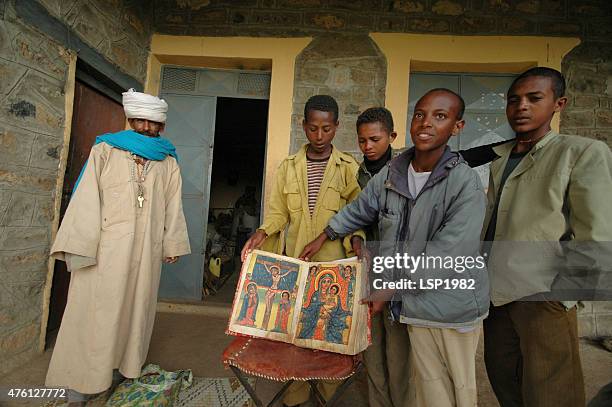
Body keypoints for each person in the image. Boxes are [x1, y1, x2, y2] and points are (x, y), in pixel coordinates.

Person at [301, 88, 490, 407]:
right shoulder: (392, 173)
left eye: (440, 116)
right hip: (411, 304)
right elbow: (360, 209)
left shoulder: (464, 183)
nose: (426, 123)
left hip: (449, 306)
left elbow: (447, 254)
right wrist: (326, 234)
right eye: (420, 114)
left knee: (457, 389)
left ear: (457, 126)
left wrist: (390, 289)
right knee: (427, 385)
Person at [45, 89, 191, 403]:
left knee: (133, 312)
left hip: (146, 251)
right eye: (143, 121)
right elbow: (86, 198)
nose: (149, 129)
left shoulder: (168, 161)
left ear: (161, 126)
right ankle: (79, 382)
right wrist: (81, 245)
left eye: (155, 124)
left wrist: (172, 242)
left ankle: (119, 370)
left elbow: (173, 206)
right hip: (105, 251)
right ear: (131, 119)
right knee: (95, 313)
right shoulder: (106, 150)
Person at [482, 67, 612, 407]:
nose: (521, 106)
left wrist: (564, 294)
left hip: (543, 293)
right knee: (505, 380)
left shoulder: (581, 152)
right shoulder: (501, 158)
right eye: (514, 100)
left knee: (552, 392)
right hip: (496, 294)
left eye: (534, 98)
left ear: (559, 103)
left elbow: (596, 233)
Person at [240, 94, 365, 406]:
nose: (319, 136)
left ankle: (326, 392)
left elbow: (358, 213)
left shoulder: (348, 168)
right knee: (295, 329)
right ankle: (295, 394)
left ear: (336, 127)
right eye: (313, 129)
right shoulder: (289, 167)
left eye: (326, 129)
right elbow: (278, 213)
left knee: (328, 330)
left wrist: (358, 243)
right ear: (303, 126)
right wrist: (262, 231)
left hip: (334, 264)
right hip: (295, 262)